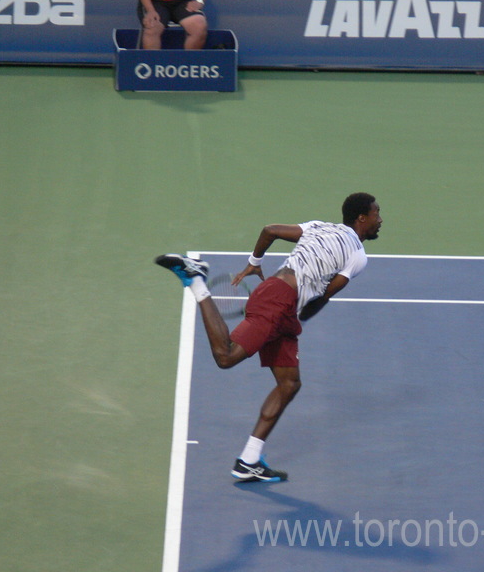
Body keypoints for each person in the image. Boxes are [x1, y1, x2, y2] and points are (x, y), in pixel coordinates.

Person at [155, 193, 382, 482]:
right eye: (376, 214)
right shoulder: (358, 257)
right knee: (226, 357)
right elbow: (324, 295)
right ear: (362, 218)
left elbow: (270, 231)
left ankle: (249, 459)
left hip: (280, 300)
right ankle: (196, 280)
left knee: (289, 384)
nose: (380, 219)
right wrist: (303, 311)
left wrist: (254, 262)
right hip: (280, 301)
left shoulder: (318, 226)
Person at [135, 0, 209, 50]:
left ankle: (189, 61)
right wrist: (150, 10)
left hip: (182, 0)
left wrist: (200, 0)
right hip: (155, 2)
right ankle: (152, 61)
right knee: (152, 26)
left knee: (199, 26)